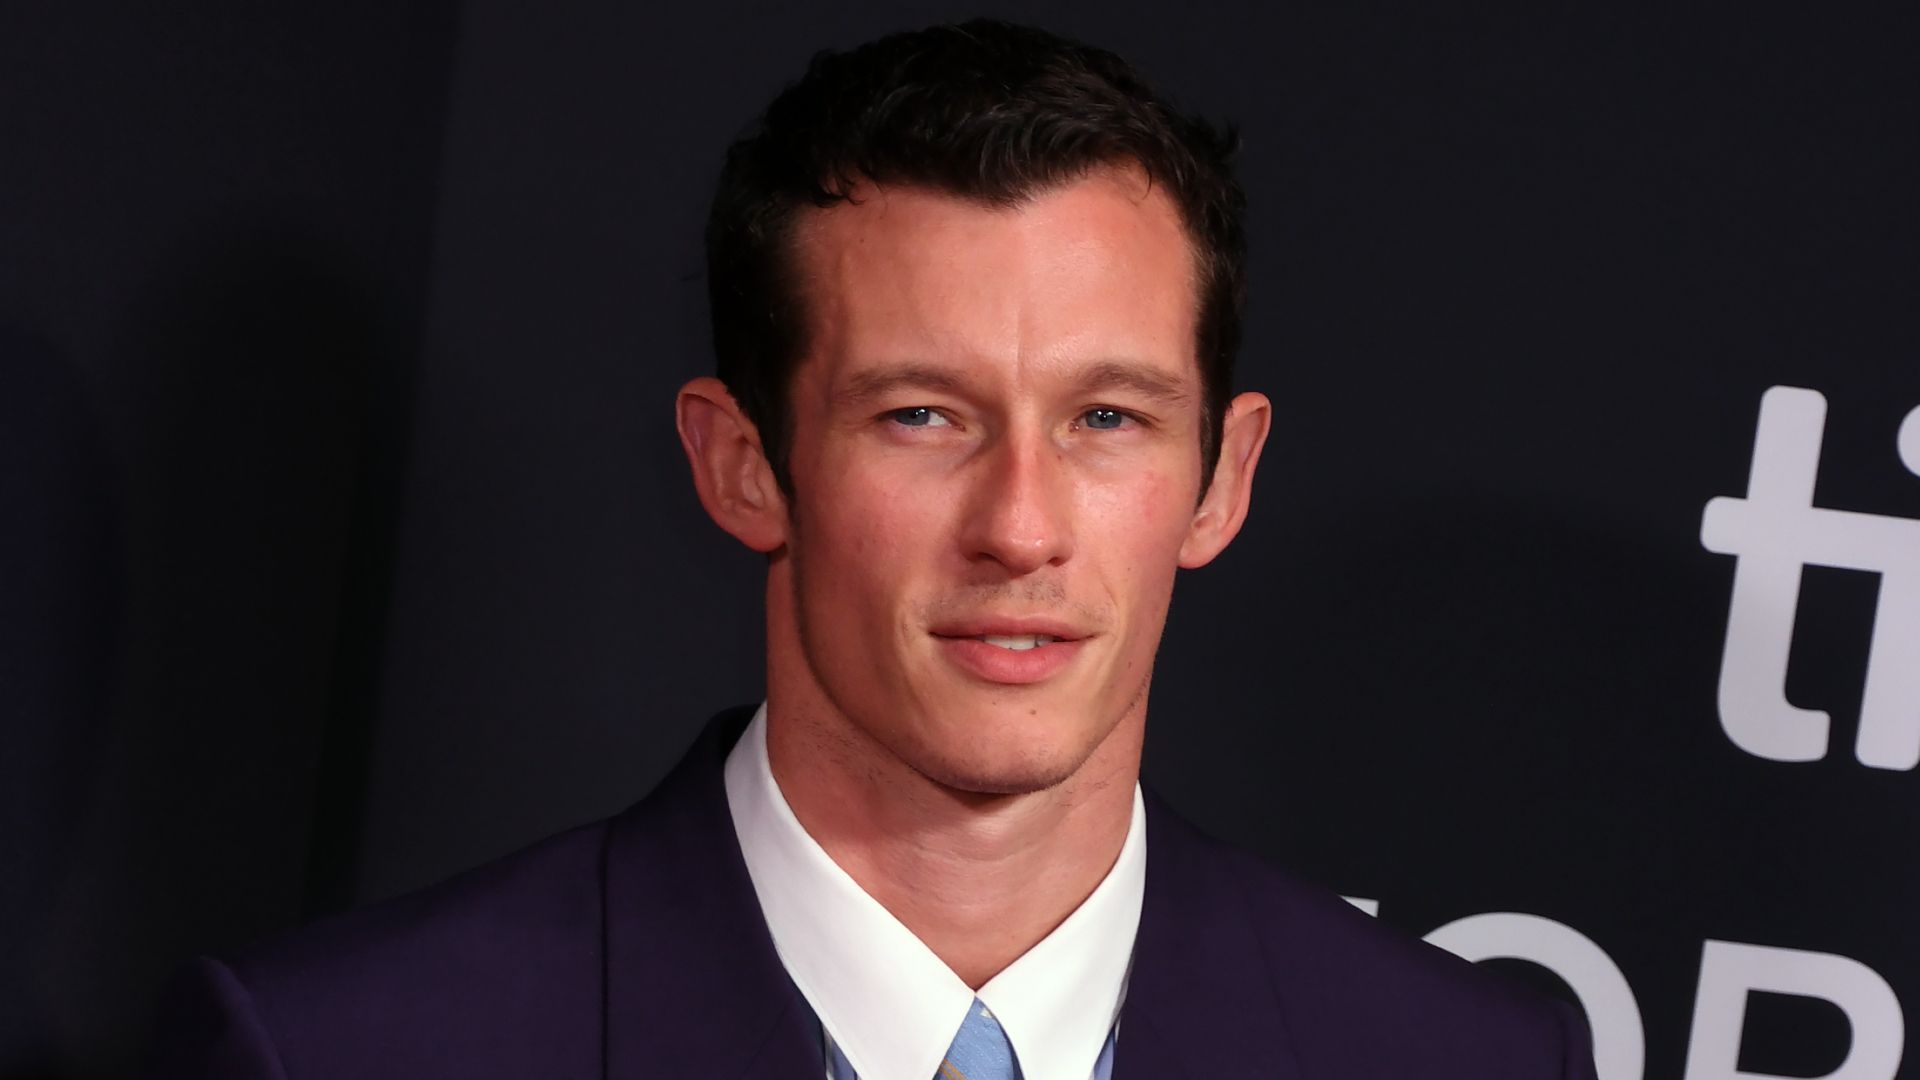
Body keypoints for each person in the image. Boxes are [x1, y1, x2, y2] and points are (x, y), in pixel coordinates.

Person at [150, 19, 1598, 1080]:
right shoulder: (342, 1051)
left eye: (1106, 417)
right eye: (921, 416)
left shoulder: (1468, 1062)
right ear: (743, 464)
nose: (1020, 526)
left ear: (1221, 480)